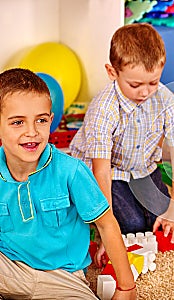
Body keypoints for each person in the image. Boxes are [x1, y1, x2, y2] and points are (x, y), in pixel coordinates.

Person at [0, 68, 136, 299]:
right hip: (9, 268)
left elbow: (106, 224)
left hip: (63, 276)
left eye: (40, 120)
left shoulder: (71, 171)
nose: (31, 132)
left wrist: (127, 287)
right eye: (18, 123)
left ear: (51, 121)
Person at [70, 23, 174, 265]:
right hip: (106, 172)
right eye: (135, 85)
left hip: (142, 168)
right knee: (132, 225)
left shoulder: (166, 101)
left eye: (153, 82)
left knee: (161, 220)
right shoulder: (104, 110)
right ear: (112, 72)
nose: (145, 92)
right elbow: (101, 172)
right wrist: (106, 231)